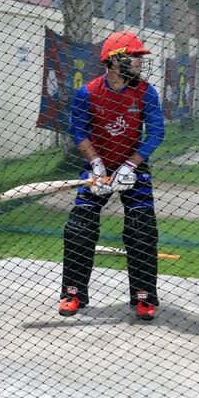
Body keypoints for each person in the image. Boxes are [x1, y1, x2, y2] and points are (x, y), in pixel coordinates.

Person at [59, 30, 165, 320]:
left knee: (142, 232)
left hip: (134, 167)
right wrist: (96, 165)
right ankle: (73, 293)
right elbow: (78, 132)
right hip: (98, 168)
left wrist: (130, 166)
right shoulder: (89, 92)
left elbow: (156, 133)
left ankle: (143, 298)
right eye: (135, 57)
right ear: (115, 61)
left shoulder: (146, 92)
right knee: (79, 229)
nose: (140, 63)